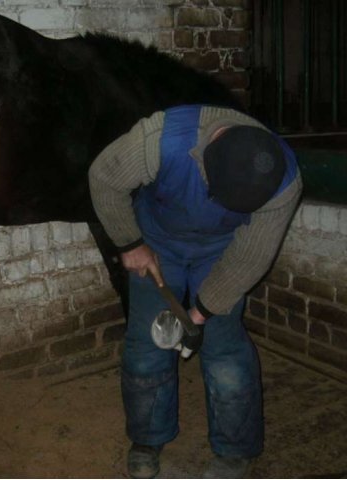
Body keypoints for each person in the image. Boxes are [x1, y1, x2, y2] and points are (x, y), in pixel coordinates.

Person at [88, 104, 302, 479]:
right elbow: (105, 178)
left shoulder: (283, 182)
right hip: (157, 239)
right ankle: (147, 438)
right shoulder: (161, 140)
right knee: (148, 342)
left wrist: (200, 314)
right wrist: (129, 243)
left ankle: (234, 450)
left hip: (224, 250)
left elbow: (250, 258)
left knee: (224, 346)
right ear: (204, 158)